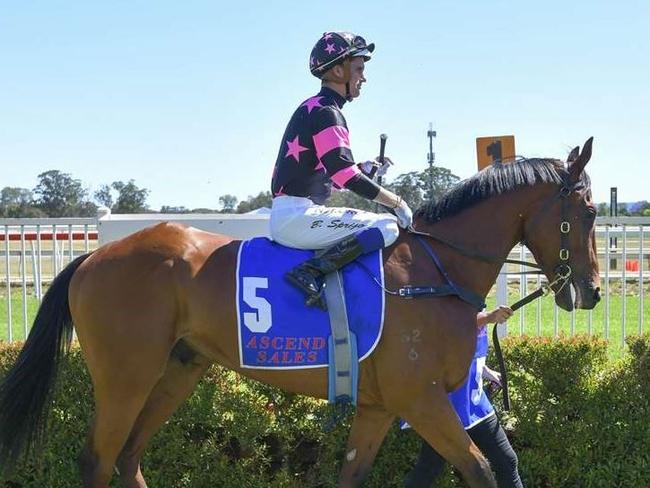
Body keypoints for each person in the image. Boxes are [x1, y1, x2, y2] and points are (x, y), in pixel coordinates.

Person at [270, 31, 413, 309]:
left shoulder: (314, 107)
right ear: (338, 69)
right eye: (359, 68)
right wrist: (397, 202)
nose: (364, 77)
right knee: (387, 225)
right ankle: (311, 271)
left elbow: (329, 178)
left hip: (293, 214)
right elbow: (343, 175)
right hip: (298, 217)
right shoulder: (328, 112)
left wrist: (367, 168)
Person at [404, 305, 524, 488]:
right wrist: (489, 317)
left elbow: (471, 356)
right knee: (427, 471)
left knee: (507, 461)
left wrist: (488, 373)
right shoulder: (454, 307)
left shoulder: (477, 308)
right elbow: (455, 323)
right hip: (446, 413)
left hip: (477, 407)